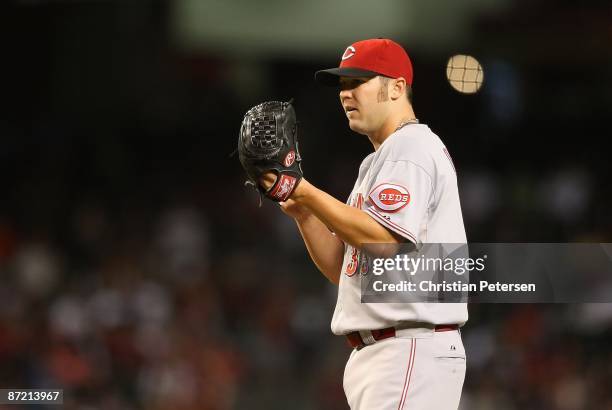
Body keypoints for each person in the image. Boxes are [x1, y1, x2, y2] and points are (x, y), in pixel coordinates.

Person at [261, 38, 467, 410]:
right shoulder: (377, 163)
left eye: (358, 81)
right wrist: (304, 213)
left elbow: (383, 242)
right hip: (389, 351)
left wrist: (305, 191)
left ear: (397, 87)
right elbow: (347, 270)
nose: (345, 94)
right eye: (342, 85)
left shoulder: (412, 147)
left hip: (408, 347)